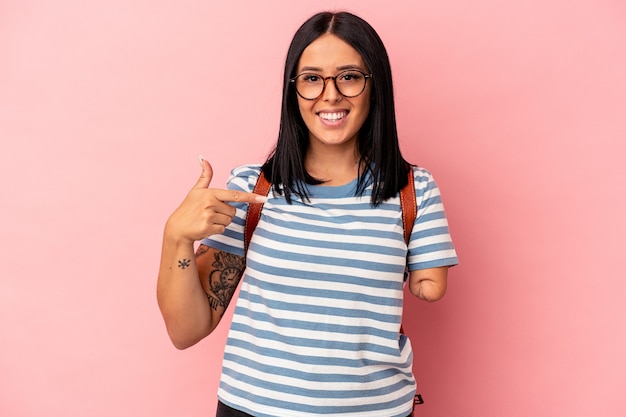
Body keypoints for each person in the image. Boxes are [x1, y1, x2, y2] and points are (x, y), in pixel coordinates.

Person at [157, 11, 458, 417]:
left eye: (349, 76)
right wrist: (176, 235)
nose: (330, 95)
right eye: (312, 78)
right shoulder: (251, 190)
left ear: (375, 86)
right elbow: (187, 329)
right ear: (293, 90)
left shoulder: (412, 191)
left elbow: (430, 284)